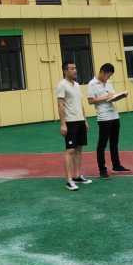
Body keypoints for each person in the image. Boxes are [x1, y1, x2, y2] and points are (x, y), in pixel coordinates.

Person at [87, 63, 130, 178]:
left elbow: (112, 97)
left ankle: (116, 165)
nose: (108, 78)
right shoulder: (92, 84)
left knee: (114, 142)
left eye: (110, 76)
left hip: (114, 115)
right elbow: (90, 101)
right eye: (108, 76)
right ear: (102, 72)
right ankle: (102, 169)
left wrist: (120, 96)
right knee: (102, 144)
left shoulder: (108, 83)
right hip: (104, 117)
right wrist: (105, 97)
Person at [56, 61, 93, 191]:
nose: (75, 70)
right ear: (65, 71)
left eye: (75, 68)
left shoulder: (77, 85)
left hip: (80, 121)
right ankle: (69, 180)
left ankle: (77, 176)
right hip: (70, 122)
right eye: (72, 68)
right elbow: (60, 105)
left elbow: (80, 104)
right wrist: (63, 124)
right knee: (70, 150)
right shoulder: (62, 85)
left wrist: (85, 120)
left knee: (79, 149)